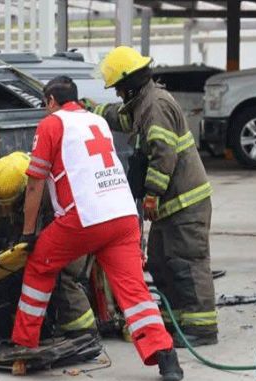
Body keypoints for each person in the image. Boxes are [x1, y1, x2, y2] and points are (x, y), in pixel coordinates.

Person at [11, 76, 183, 381]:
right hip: (122, 215)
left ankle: (23, 345)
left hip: (84, 217)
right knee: (134, 291)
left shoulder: (51, 124)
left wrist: (28, 233)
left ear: (51, 101)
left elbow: (36, 181)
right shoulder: (96, 121)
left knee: (39, 265)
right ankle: (166, 357)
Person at [90, 46, 217, 347]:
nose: (117, 93)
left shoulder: (155, 105)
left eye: (118, 87)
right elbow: (123, 120)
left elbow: (163, 155)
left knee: (187, 264)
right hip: (172, 206)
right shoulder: (144, 103)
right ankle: (177, 321)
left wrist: (151, 195)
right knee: (161, 262)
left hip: (185, 203)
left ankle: (202, 327)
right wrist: (93, 111)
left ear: (130, 83)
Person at [0, 151, 96, 338]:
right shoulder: (8, 178)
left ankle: (82, 331)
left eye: (9, 205)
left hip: (76, 226)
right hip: (49, 224)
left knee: (62, 276)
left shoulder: (50, 192)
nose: (5, 211)